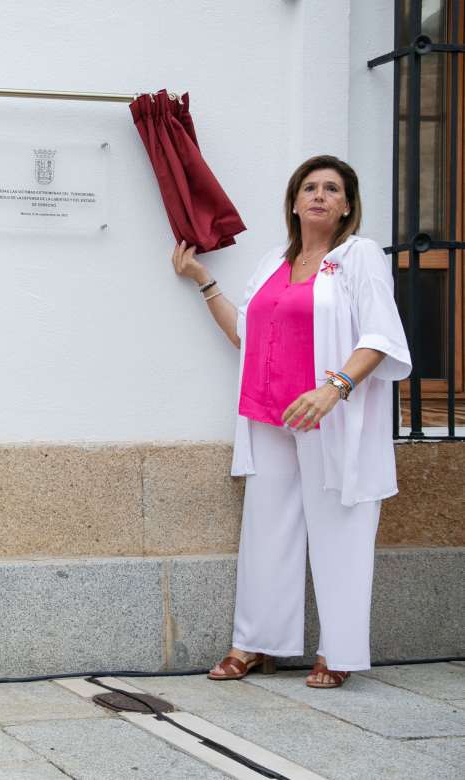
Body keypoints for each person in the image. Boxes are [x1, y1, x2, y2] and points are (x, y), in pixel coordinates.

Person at [171, 155, 410, 689]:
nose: (319, 195)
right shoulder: (273, 263)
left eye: (332, 189)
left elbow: (381, 336)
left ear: (347, 205)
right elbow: (245, 335)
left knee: (340, 531)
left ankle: (338, 650)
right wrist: (203, 280)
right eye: (309, 187)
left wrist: (335, 388)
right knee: (266, 530)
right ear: (294, 202)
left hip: (328, 418)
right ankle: (255, 643)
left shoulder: (358, 258)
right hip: (269, 414)